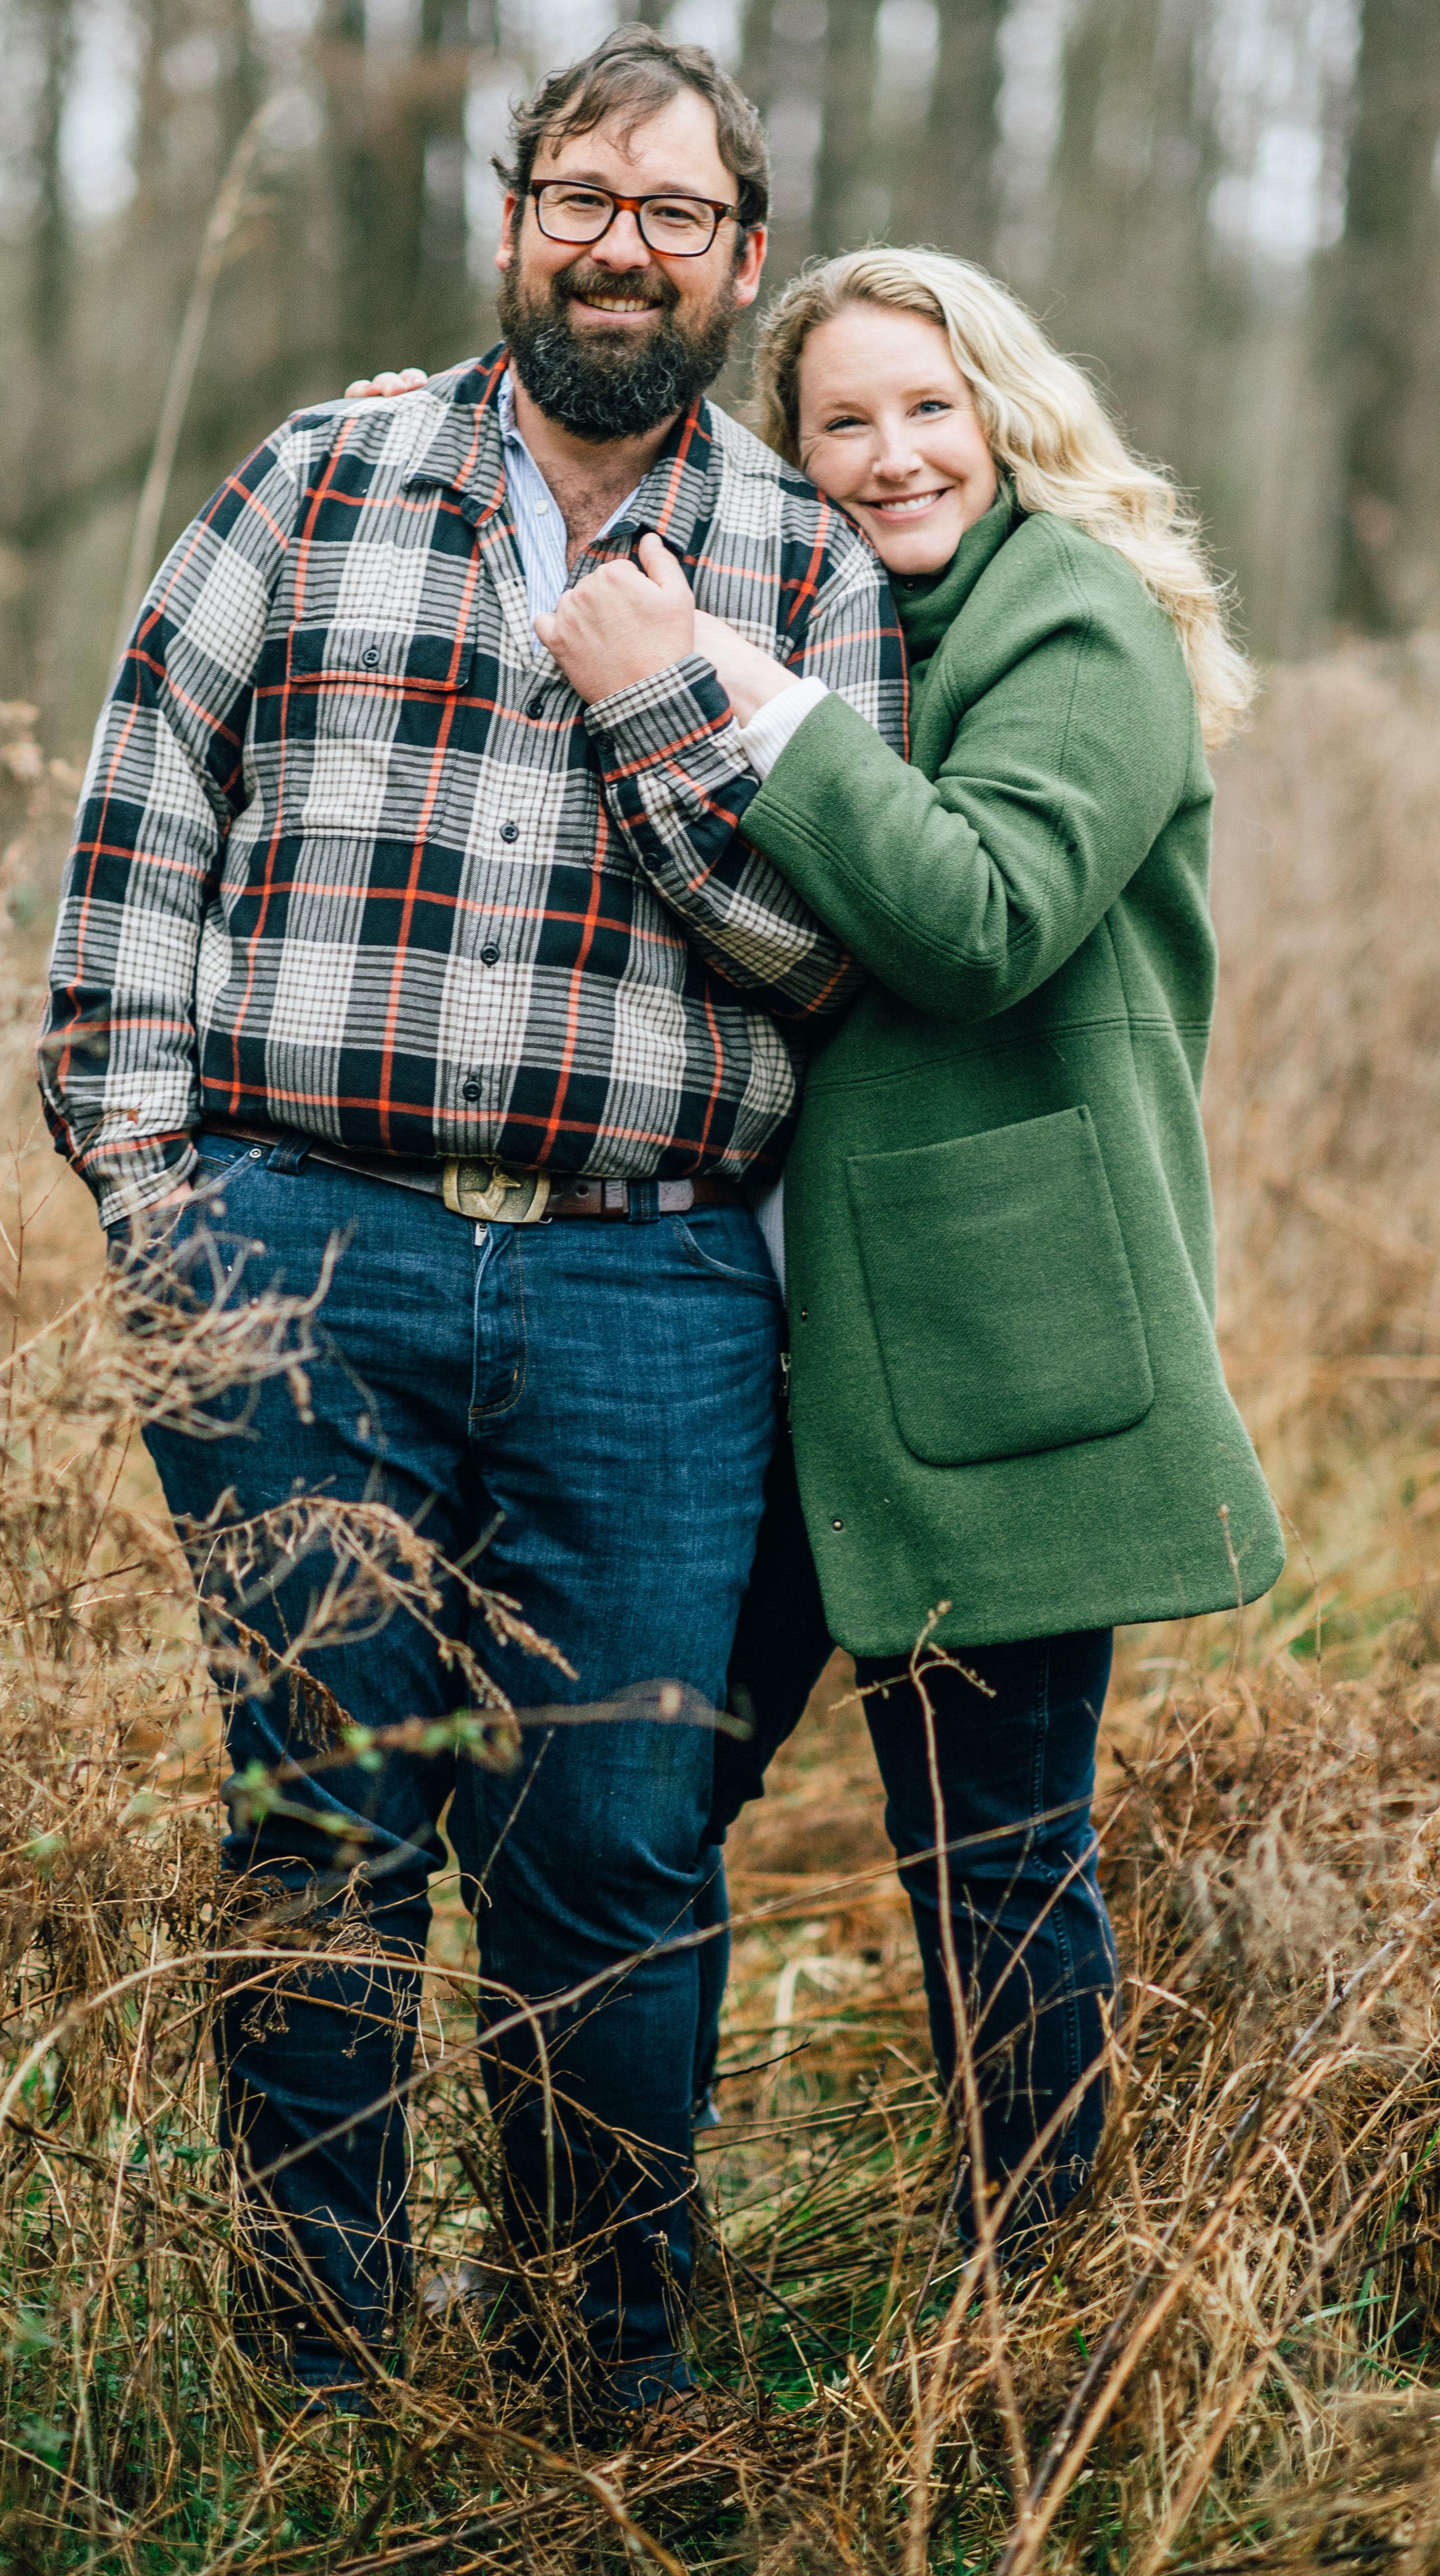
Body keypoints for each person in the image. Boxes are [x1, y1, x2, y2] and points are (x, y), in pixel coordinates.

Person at [37, 27, 904, 2428]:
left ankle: (601, 2368)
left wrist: (655, 714)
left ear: (741, 259)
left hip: (649, 1285)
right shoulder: (317, 478)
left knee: (616, 1842)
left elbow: (828, 943)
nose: (618, 242)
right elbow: (140, 823)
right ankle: (319, 2370)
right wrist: (153, 1192)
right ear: (515, 213)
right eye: (579, 194)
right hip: (303, 1250)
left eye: (676, 211)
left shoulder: (803, 567)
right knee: (325, 1821)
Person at [533, 243, 1284, 2284]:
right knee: (640, 1811)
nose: (886, 460)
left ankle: (1027, 2307)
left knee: (994, 1857)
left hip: (992, 1332)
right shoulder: (825, 605)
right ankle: (617, 2267)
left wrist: (748, 706)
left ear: (1009, 414)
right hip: (759, 1326)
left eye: (926, 409)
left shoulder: (1075, 626)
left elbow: (979, 914)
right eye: (839, 423)